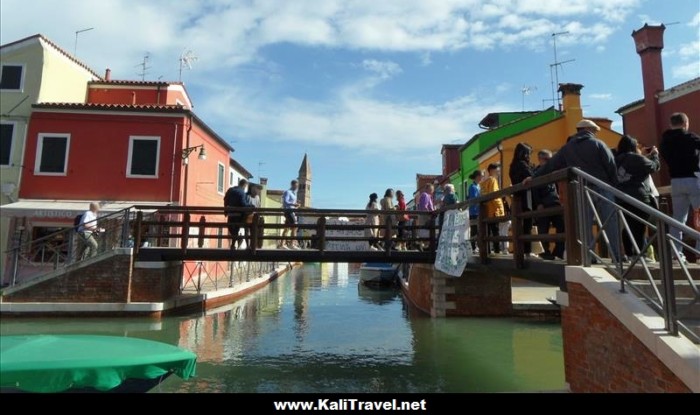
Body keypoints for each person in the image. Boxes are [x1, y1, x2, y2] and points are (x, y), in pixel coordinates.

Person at [526, 119, 620, 263]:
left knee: (584, 224)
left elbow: (550, 165)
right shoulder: (599, 144)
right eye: (595, 130)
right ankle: (617, 257)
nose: (596, 133)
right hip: (602, 187)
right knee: (610, 222)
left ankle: (589, 257)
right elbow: (611, 165)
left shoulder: (567, 148)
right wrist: (615, 187)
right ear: (589, 130)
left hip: (581, 189)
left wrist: (533, 177)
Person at [659, 112, 700, 263]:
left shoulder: (664, 141)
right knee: (699, 216)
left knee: (678, 219)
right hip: (694, 179)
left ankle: (676, 254)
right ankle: (699, 252)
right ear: (686, 123)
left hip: (675, 181)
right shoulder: (691, 138)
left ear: (671, 124)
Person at [615, 135, 660, 261]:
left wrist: (645, 155)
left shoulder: (615, 160)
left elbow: (632, 167)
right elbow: (654, 167)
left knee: (628, 226)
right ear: (633, 146)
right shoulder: (635, 157)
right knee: (639, 226)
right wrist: (655, 155)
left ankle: (629, 253)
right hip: (639, 197)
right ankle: (640, 254)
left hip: (621, 197)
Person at [533, 149, 565, 260]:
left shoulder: (553, 171)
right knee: (543, 230)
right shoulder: (536, 172)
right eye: (547, 159)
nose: (549, 162)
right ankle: (545, 252)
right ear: (540, 159)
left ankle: (558, 251)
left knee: (562, 226)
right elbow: (534, 190)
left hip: (555, 203)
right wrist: (539, 203)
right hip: (544, 204)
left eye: (550, 160)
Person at [509, 143, 534, 256]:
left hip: (516, 197)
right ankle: (527, 251)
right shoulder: (523, 165)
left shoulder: (512, 166)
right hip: (526, 196)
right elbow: (531, 177)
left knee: (518, 225)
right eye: (528, 154)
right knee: (527, 224)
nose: (529, 156)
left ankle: (519, 250)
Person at [480, 163, 505, 255]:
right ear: (491, 170)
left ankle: (487, 251)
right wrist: (500, 209)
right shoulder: (493, 180)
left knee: (487, 232)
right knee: (495, 232)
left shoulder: (483, 182)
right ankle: (497, 251)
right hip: (493, 210)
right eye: (497, 170)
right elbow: (494, 195)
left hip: (485, 210)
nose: (498, 172)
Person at [224, 178, 252, 249]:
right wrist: (250, 206)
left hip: (230, 213)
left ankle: (235, 242)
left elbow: (225, 199)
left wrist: (226, 210)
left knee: (231, 229)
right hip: (238, 214)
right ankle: (234, 244)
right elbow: (243, 204)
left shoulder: (230, 190)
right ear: (244, 185)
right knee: (236, 229)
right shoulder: (242, 192)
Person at [279, 179, 301, 249]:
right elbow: (285, 202)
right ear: (292, 185)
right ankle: (292, 244)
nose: (297, 187)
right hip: (288, 211)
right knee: (295, 226)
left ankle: (282, 244)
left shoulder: (294, 193)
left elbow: (291, 203)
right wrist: (294, 204)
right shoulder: (287, 192)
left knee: (286, 228)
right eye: (296, 186)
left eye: (297, 186)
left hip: (292, 211)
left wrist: (296, 205)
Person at [467, 170, 483, 252]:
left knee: (479, 229)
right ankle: (473, 247)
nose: (482, 177)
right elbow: (474, 199)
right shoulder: (472, 187)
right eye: (481, 176)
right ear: (477, 176)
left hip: (478, 211)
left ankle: (477, 246)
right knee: (474, 229)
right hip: (474, 211)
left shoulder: (478, 186)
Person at [417, 184, 435, 250]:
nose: (432, 191)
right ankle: (424, 246)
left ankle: (423, 245)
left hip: (422, 215)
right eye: (431, 189)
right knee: (426, 229)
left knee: (424, 229)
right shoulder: (426, 195)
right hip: (425, 215)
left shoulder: (425, 195)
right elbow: (425, 206)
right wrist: (429, 214)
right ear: (428, 189)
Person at [243, 184, 261, 249]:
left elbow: (259, 206)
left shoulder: (257, 197)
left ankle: (252, 245)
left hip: (255, 216)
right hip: (248, 215)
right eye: (254, 189)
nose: (256, 191)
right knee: (247, 231)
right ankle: (248, 245)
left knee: (253, 231)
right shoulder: (247, 196)